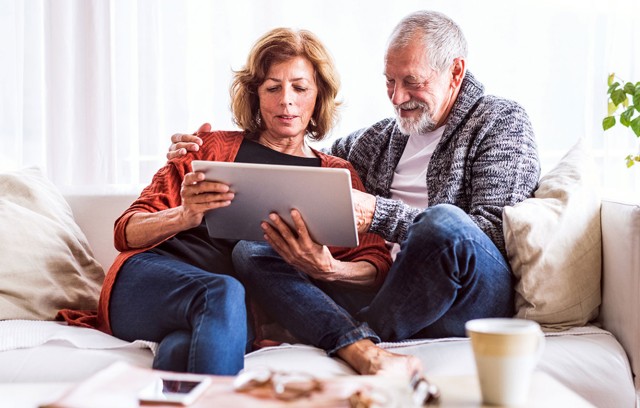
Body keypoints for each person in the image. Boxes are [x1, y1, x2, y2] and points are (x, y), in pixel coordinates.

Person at [168, 9, 541, 348]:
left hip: (468, 297)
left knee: (443, 223)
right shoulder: (376, 140)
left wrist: (378, 213)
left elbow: (489, 236)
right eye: (389, 81)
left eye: (411, 81)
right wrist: (204, 149)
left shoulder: (499, 122)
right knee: (255, 251)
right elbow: (298, 161)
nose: (398, 97)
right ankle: (346, 333)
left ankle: (355, 338)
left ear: (455, 72)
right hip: (380, 291)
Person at [57, 27, 403, 376]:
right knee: (221, 291)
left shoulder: (336, 173)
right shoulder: (209, 147)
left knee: (180, 350)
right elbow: (125, 231)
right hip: (149, 284)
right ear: (256, 95)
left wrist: (329, 267)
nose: (286, 100)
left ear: (318, 97)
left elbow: (374, 266)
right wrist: (184, 215)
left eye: (300, 88)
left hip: (230, 313)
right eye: (273, 87)